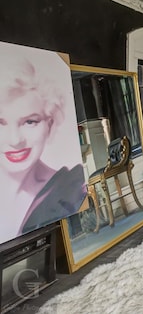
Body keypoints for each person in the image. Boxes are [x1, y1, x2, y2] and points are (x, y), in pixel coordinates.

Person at [0, 53, 86, 243]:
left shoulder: (71, 189)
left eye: (30, 121)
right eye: (1, 123)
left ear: (50, 123)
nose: (15, 140)